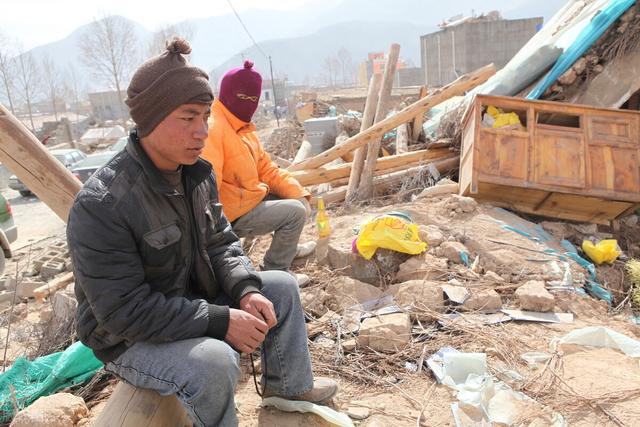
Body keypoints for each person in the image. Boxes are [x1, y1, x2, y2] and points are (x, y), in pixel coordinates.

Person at [67, 38, 337, 427]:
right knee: (214, 362)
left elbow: (221, 242)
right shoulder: (103, 204)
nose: (202, 132)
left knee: (279, 287)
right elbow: (122, 313)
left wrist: (245, 289)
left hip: (185, 301)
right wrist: (220, 320)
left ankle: (288, 393)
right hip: (127, 339)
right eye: (188, 117)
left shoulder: (197, 176)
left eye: (205, 117)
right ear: (150, 119)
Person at [201, 61, 315, 286]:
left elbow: (267, 169)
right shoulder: (214, 129)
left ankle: (287, 249)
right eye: (246, 99)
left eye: (255, 99)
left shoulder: (242, 127)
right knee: (294, 213)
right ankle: (278, 271)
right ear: (231, 95)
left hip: (249, 199)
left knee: (295, 201)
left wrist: (298, 192)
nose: (251, 105)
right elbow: (207, 189)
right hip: (230, 215)